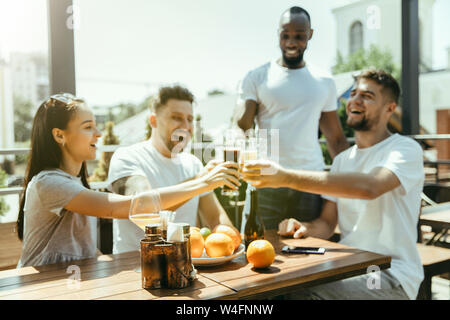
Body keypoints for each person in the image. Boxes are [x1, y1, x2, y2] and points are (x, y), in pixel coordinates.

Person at [242, 69, 424, 300]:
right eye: (353, 93)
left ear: (390, 108)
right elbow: (327, 223)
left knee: (304, 296)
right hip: (347, 267)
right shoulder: (341, 161)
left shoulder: (404, 149)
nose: (355, 100)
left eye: (367, 96)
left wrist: (285, 177)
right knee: (273, 289)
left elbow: (370, 187)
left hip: (386, 272)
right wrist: (305, 228)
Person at [16, 93, 239, 268]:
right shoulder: (48, 183)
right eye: (88, 127)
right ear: (59, 135)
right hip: (44, 289)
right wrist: (203, 182)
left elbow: (82, 251)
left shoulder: (74, 183)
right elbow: (133, 206)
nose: (99, 133)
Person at [236, 6, 349, 230]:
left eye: (299, 36)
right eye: (285, 35)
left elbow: (335, 139)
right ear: (278, 33)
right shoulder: (257, 76)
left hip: (309, 180)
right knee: (257, 248)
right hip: (266, 180)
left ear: (310, 35)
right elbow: (242, 125)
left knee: (308, 251)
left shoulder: (324, 81)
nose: (291, 42)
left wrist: (352, 180)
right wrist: (245, 96)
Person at [108, 85, 239, 254]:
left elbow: (215, 219)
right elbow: (142, 209)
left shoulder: (193, 164)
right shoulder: (127, 157)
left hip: (184, 265)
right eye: (177, 118)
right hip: (135, 266)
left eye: (190, 119)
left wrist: (234, 243)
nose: (186, 126)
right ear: (153, 120)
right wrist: (201, 182)